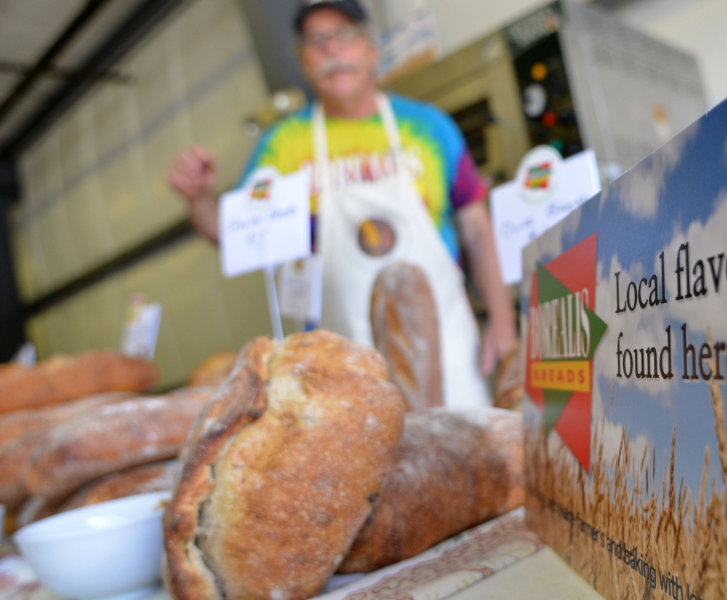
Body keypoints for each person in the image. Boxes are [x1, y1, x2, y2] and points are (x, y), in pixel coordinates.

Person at [167, 0, 517, 407]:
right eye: (317, 40)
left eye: (345, 35)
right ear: (302, 61)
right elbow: (235, 235)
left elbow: (475, 227)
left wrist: (503, 322)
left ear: (372, 49)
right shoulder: (283, 145)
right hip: (341, 370)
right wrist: (201, 199)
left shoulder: (429, 127)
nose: (333, 49)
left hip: (450, 350)